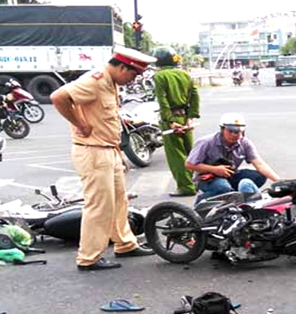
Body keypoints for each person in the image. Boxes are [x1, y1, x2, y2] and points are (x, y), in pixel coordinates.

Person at [50, 47, 156, 271]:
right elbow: (58, 97)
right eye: (133, 74)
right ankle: (89, 257)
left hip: (108, 149)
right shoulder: (94, 80)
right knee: (99, 206)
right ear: (122, 67)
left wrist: (118, 153)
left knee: (119, 201)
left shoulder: (111, 82)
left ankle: (125, 244)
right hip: (93, 151)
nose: (133, 79)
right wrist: (80, 123)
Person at [186, 113, 280, 203]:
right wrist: (214, 169)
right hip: (209, 177)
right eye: (230, 131)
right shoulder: (206, 142)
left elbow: (259, 163)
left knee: (260, 176)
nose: (234, 135)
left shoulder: (245, 143)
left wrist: (280, 182)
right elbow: (189, 164)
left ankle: (234, 198)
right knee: (223, 188)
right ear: (222, 129)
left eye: (237, 132)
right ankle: (202, 202)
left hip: (230, 175)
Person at [151, 46, 200, 197]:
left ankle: (185, 187)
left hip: (171, 119)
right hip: (186, 118)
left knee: (176, 155)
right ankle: (194, 183)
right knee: (189, 152)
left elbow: (163, 101)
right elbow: (195, 95)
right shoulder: (185, 74)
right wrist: (191, 117)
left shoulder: (159, 76)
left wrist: (171, 121)